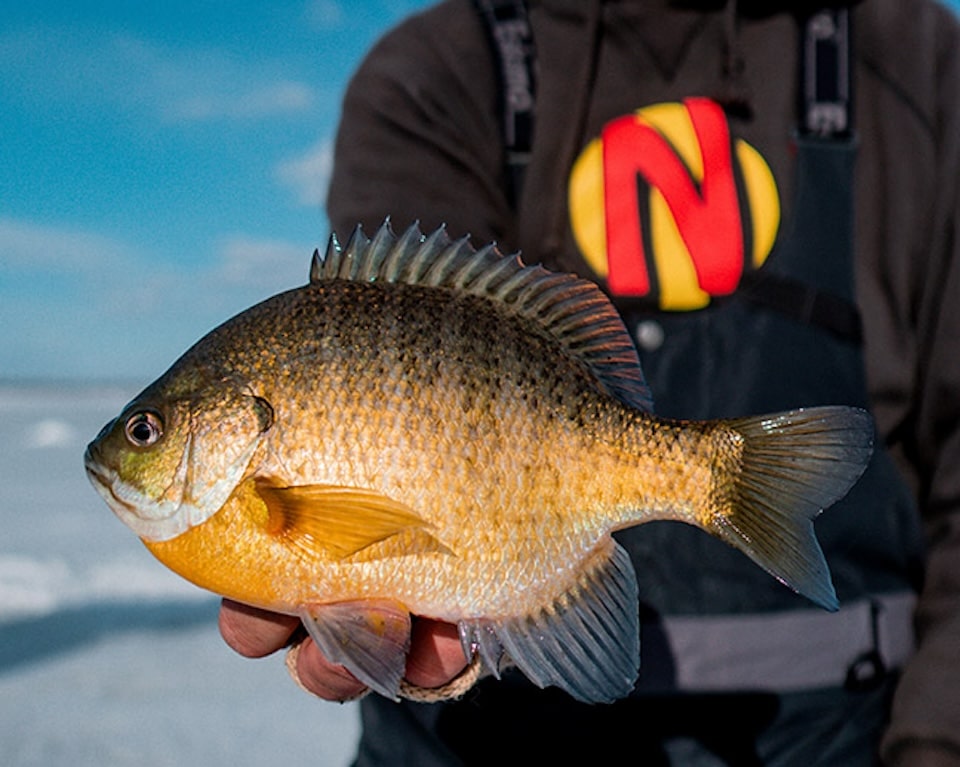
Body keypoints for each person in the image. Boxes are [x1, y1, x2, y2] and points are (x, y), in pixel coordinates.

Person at [219, 0, 960, 764]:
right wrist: (427, 630)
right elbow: (397, 345)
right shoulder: (436, 75)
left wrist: (939, 740)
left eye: (152, 430)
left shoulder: (916, 60)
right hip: (478, 740)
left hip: (845, 733)